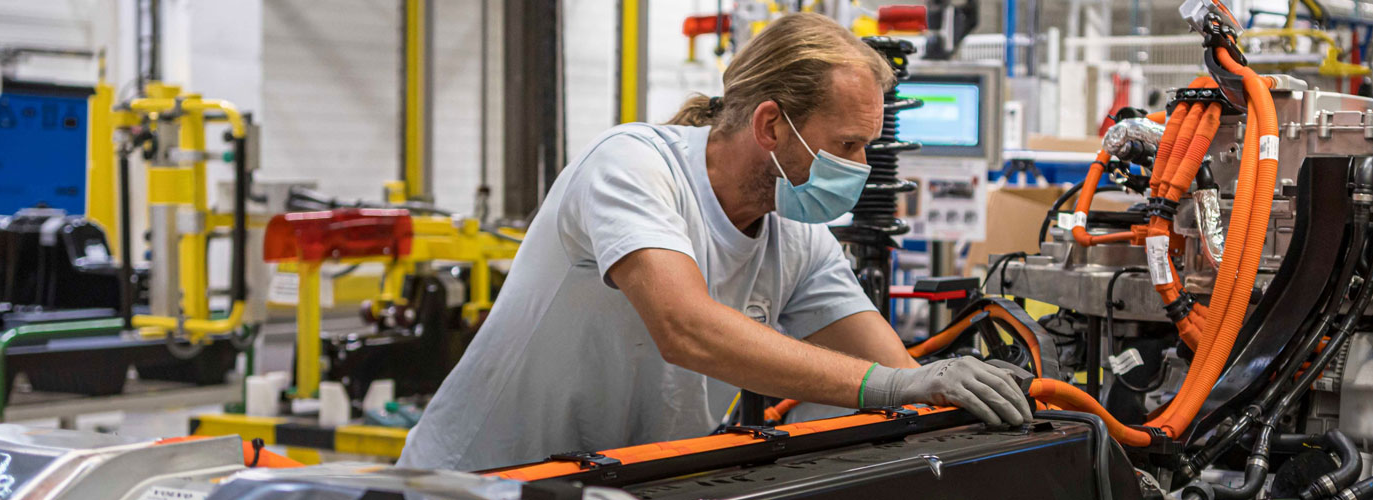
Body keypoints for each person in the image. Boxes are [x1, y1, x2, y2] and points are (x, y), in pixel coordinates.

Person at [397, 13, 1032, 472]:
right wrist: (897, 387)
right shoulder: (632, 165)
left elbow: (894, 374)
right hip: (478, 480)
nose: (860, 167)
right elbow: (686, 328)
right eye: (846, 145)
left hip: (610, 479)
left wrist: (952, 388)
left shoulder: (797, 235)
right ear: (770, 125)